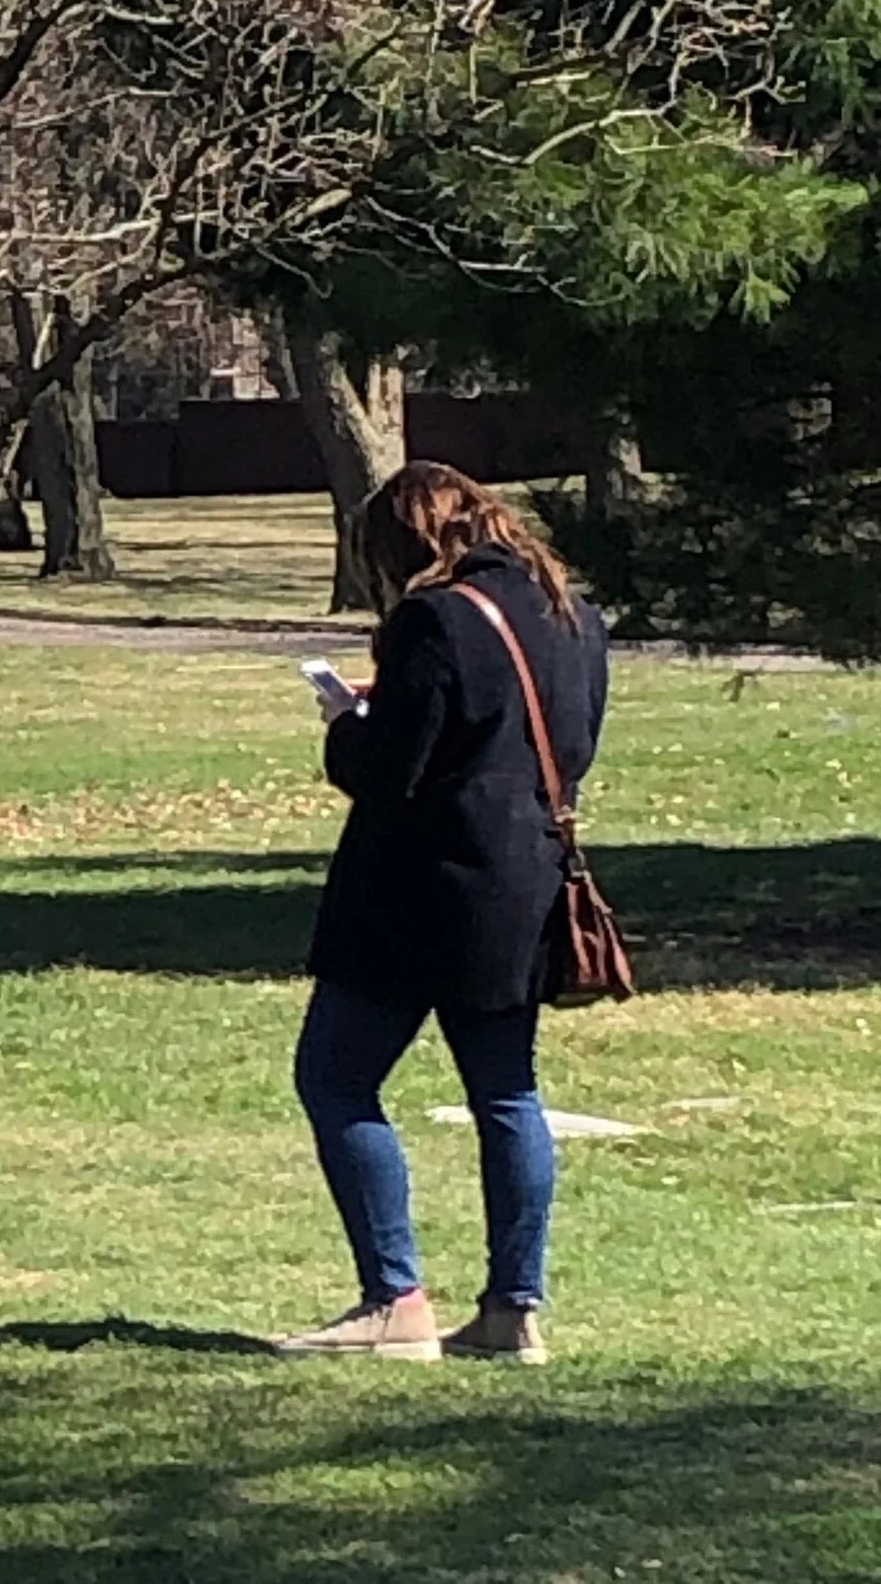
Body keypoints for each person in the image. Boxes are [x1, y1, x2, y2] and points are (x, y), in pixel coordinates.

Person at [276, 461, 610, 1364]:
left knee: (336, 1078)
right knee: (507, 1091)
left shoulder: (433, 618)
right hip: (526, 878)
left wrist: (347, 723)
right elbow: (561, 739)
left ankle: (395, 1297)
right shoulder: (571, 613)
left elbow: (389, 770)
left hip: (418, 889)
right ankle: (513, 1308)